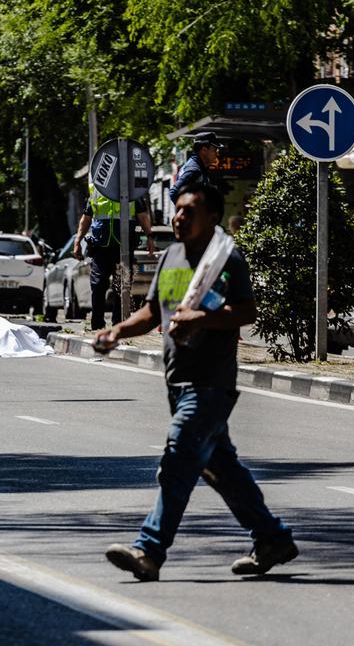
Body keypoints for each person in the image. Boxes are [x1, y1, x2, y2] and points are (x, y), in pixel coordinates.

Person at [96, 179, 297, 581]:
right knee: (221, 468)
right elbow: (153, 313)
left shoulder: (225, 260)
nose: (180, 216)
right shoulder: (171, 256)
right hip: (177, 382)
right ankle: (272, 537)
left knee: (176, 461)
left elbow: (246, 312)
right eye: (178, 209)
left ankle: (149, 551)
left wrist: (203, 317)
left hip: (210, 385)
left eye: (190, 210)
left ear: (212, 217)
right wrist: (118, 331)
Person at [73, 183, 154, 330]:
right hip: (100, 247)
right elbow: (86, 218)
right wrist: (77, 241)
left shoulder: (131, 190)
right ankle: (97, 325)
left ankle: (119, 325)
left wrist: (150, 236)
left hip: (124, 247)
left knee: (122, 286)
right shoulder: (96, 190)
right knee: (98, 285)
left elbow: (142, 215)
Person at [168, 131, 223, 204]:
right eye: (215, 150)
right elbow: (173, 193)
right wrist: (189, 213)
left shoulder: (198, 166)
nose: (217, 153)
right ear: (204, 150)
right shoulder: (194, 170)